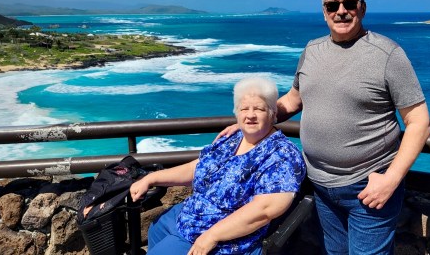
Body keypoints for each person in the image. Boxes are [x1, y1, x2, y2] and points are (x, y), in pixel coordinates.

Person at [220, 0, 430, 254]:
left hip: (367, 187)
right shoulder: (312, 50)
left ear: (362, 8)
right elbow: (293, 100)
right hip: (320, 186)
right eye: (333, 5)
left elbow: (419, 121)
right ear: (324, 12)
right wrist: (252, 120)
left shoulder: (388, 55)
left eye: (349, 3)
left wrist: (391, 179)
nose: (341, 11)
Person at [131, 77, 306, 255]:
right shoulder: (232, 138)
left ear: (273, 113)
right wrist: (151, 178)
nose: (250, 115)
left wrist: (212, 236)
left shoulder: (282, 154)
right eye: (244, 109)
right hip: (192, 215)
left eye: (259, 109)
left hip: (221, 236)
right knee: (157, 228)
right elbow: (198, 167)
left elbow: (266, 209)